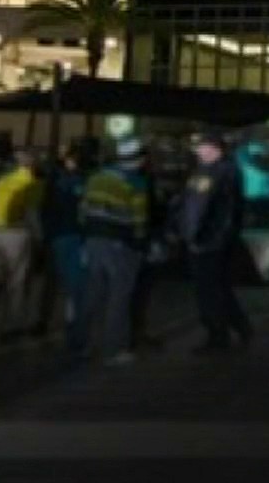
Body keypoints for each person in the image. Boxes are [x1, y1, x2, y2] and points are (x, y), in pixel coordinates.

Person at [180, 130, 253, 351]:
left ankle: (218, 335)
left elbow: (199, 209)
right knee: (219, 287)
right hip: (215, 239)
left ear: (213, 148)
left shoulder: (213, 173)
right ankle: (239, 326)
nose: (197, 150)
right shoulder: (223, 170)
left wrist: (193, 235)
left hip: (208, 240)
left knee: (208, 290)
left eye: (201, 146)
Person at [80, 136, 150, 365]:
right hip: (120, 243)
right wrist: (140, 244)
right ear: (139, 158)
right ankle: (114, 349)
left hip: (93, 240)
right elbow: (139, 220)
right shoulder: (136, 182)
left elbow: (83, 210)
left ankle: (88, 345)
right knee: (119, 297)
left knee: (95, 294)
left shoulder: (96, 177)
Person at [0, 148, 44, 344]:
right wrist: (38, 239)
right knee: (17, 282)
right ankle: (13, 326)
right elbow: (32, 213)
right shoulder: (31, 183)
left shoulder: (1, 181)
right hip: (17, 234)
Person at [33, 141, 91, 345]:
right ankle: (74, 331)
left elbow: (43, 209)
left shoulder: (53, 180)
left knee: (53, 283)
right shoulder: (81, 181)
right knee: (75, 288)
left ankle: (44, 322)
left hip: (56, 236)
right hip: (73, 236)